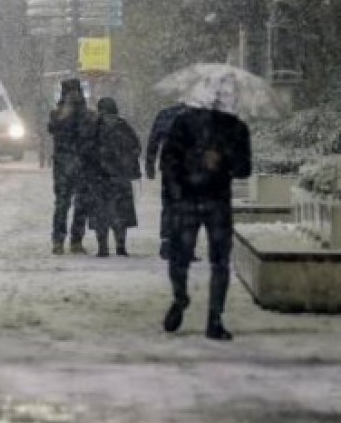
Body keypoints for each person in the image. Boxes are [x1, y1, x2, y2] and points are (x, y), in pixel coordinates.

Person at [158, 83, 252, 341]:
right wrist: (203, 160)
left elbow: (168, 162)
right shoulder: (226, 128)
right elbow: (169, 162)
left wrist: (221, 157)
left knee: (194, 259)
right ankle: (205, 313)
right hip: (205, 201)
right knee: (204, 260)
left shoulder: (190, 124)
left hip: (203, 201)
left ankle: (197, 307)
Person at [86, 97, 142, 257]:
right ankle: (121, 246)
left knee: (100, 213)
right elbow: (136, 147)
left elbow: (86, 150)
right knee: (121, 212)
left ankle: (103, 248)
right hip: (121, 177)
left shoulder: (94, 126)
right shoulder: (122, 125)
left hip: (99, 178)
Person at [48, 78, 97, 254]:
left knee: (66, 204)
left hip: (68, 165)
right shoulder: (83, 115)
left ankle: (62, 241)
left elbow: (54, 129)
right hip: (77, 164)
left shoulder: (60, 114)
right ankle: (70, 241)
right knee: (74, 204)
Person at [145, 101, 190, 260]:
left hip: (170, 166)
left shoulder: (165, 114)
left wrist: (149, 164)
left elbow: (153, 140)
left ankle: (166, 244)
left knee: (169, 206)